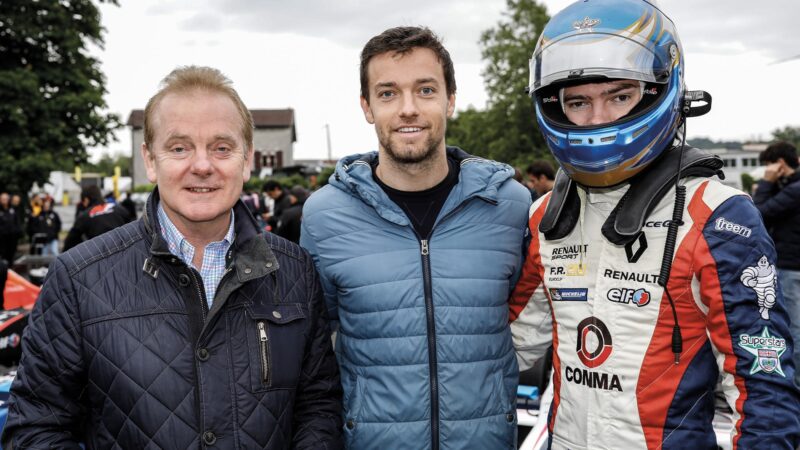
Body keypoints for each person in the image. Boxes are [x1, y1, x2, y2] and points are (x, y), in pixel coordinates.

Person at [509, 1, 800, 448]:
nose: (598, 118)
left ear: (660, 90)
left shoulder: (718, 215)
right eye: (578, 101)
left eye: (620, 95)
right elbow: (501, 353)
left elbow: (764, 386)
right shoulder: (545, 214)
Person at [3, 66, 342, 448]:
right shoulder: (77, 278)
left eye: (222, 148)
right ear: (150, 160)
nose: (201, 165)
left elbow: (318, 408)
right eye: (179, 148)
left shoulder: (294, 270)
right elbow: (35, 427)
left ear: (247, 160)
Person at [300, 26, 531, 449]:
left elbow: (531, 320)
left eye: (425, 90)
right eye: (388, 93)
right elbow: (316, 352)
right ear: (367, 107)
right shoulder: (324, 216)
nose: (408, 109)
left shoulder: (511, 206)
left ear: (451, 100)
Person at [754, 141, 800, 388]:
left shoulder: (794, 190)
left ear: (780, 163)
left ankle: (795, 385)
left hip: (792, 268)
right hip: (791, 266)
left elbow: (758, 214)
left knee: (793, 329)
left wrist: (766, 184)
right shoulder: (791, 188)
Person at [62, 185, 132, 251]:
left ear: (86, 200)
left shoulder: (85, 216)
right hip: (124, 252)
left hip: (100, 257)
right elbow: (133, 228)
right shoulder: (119, 209)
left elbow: (70, 242)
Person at [0, 192, 22, 265]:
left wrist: (17, 231)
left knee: (11, 256)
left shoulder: (13, 209)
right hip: (2, 238)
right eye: (2, 199)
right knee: (3, 256)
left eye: (6, 199)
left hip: (12, 237)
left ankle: (10, 270)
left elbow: (17, 221)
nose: (4, 200)